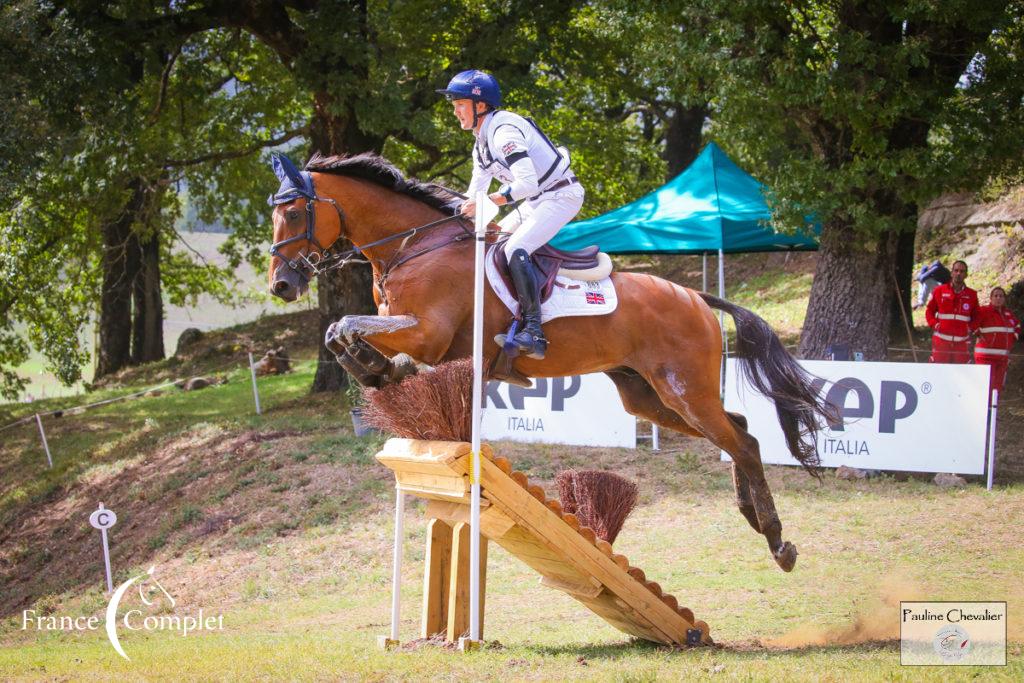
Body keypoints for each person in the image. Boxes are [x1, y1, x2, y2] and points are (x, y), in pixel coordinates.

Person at [437, 69, 584, 360]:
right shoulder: (481, 145)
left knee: (516, 247)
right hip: (537, 199)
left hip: (561, 195)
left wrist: (492, 199)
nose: (455, 111)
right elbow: (472, 197)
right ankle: (506, 316)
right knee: (493, 241)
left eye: (459, 104)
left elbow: (526, 183)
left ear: (480, 106)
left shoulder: (504, 132)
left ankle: (534, 332)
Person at [925, 260, 978, 363]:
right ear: (951, 273)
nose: (958, 273)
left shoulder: (972, 294)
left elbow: (977, 315)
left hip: (961, 343)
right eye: (956, 270)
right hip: (941, 342)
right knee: (939, 372)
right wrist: (934, 324)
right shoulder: (939, 291)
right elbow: (929, 311)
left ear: (966, 275)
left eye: (962, 271)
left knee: (961, 373)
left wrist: (970, 328)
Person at [973, 287, 1020, 394]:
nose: (998, 298)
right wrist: (978, 333)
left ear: (1004, 299)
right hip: (985, 358)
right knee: (984, 388)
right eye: (996, 296)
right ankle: (984, 410)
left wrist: (1015, 335)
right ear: (991, 298)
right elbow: (972, 323)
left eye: (1001, 296)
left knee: (997, 388)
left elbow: (1017, 325)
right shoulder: (984, 311)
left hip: (1002, 359)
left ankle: (993, 410)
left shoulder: (1008, 314)